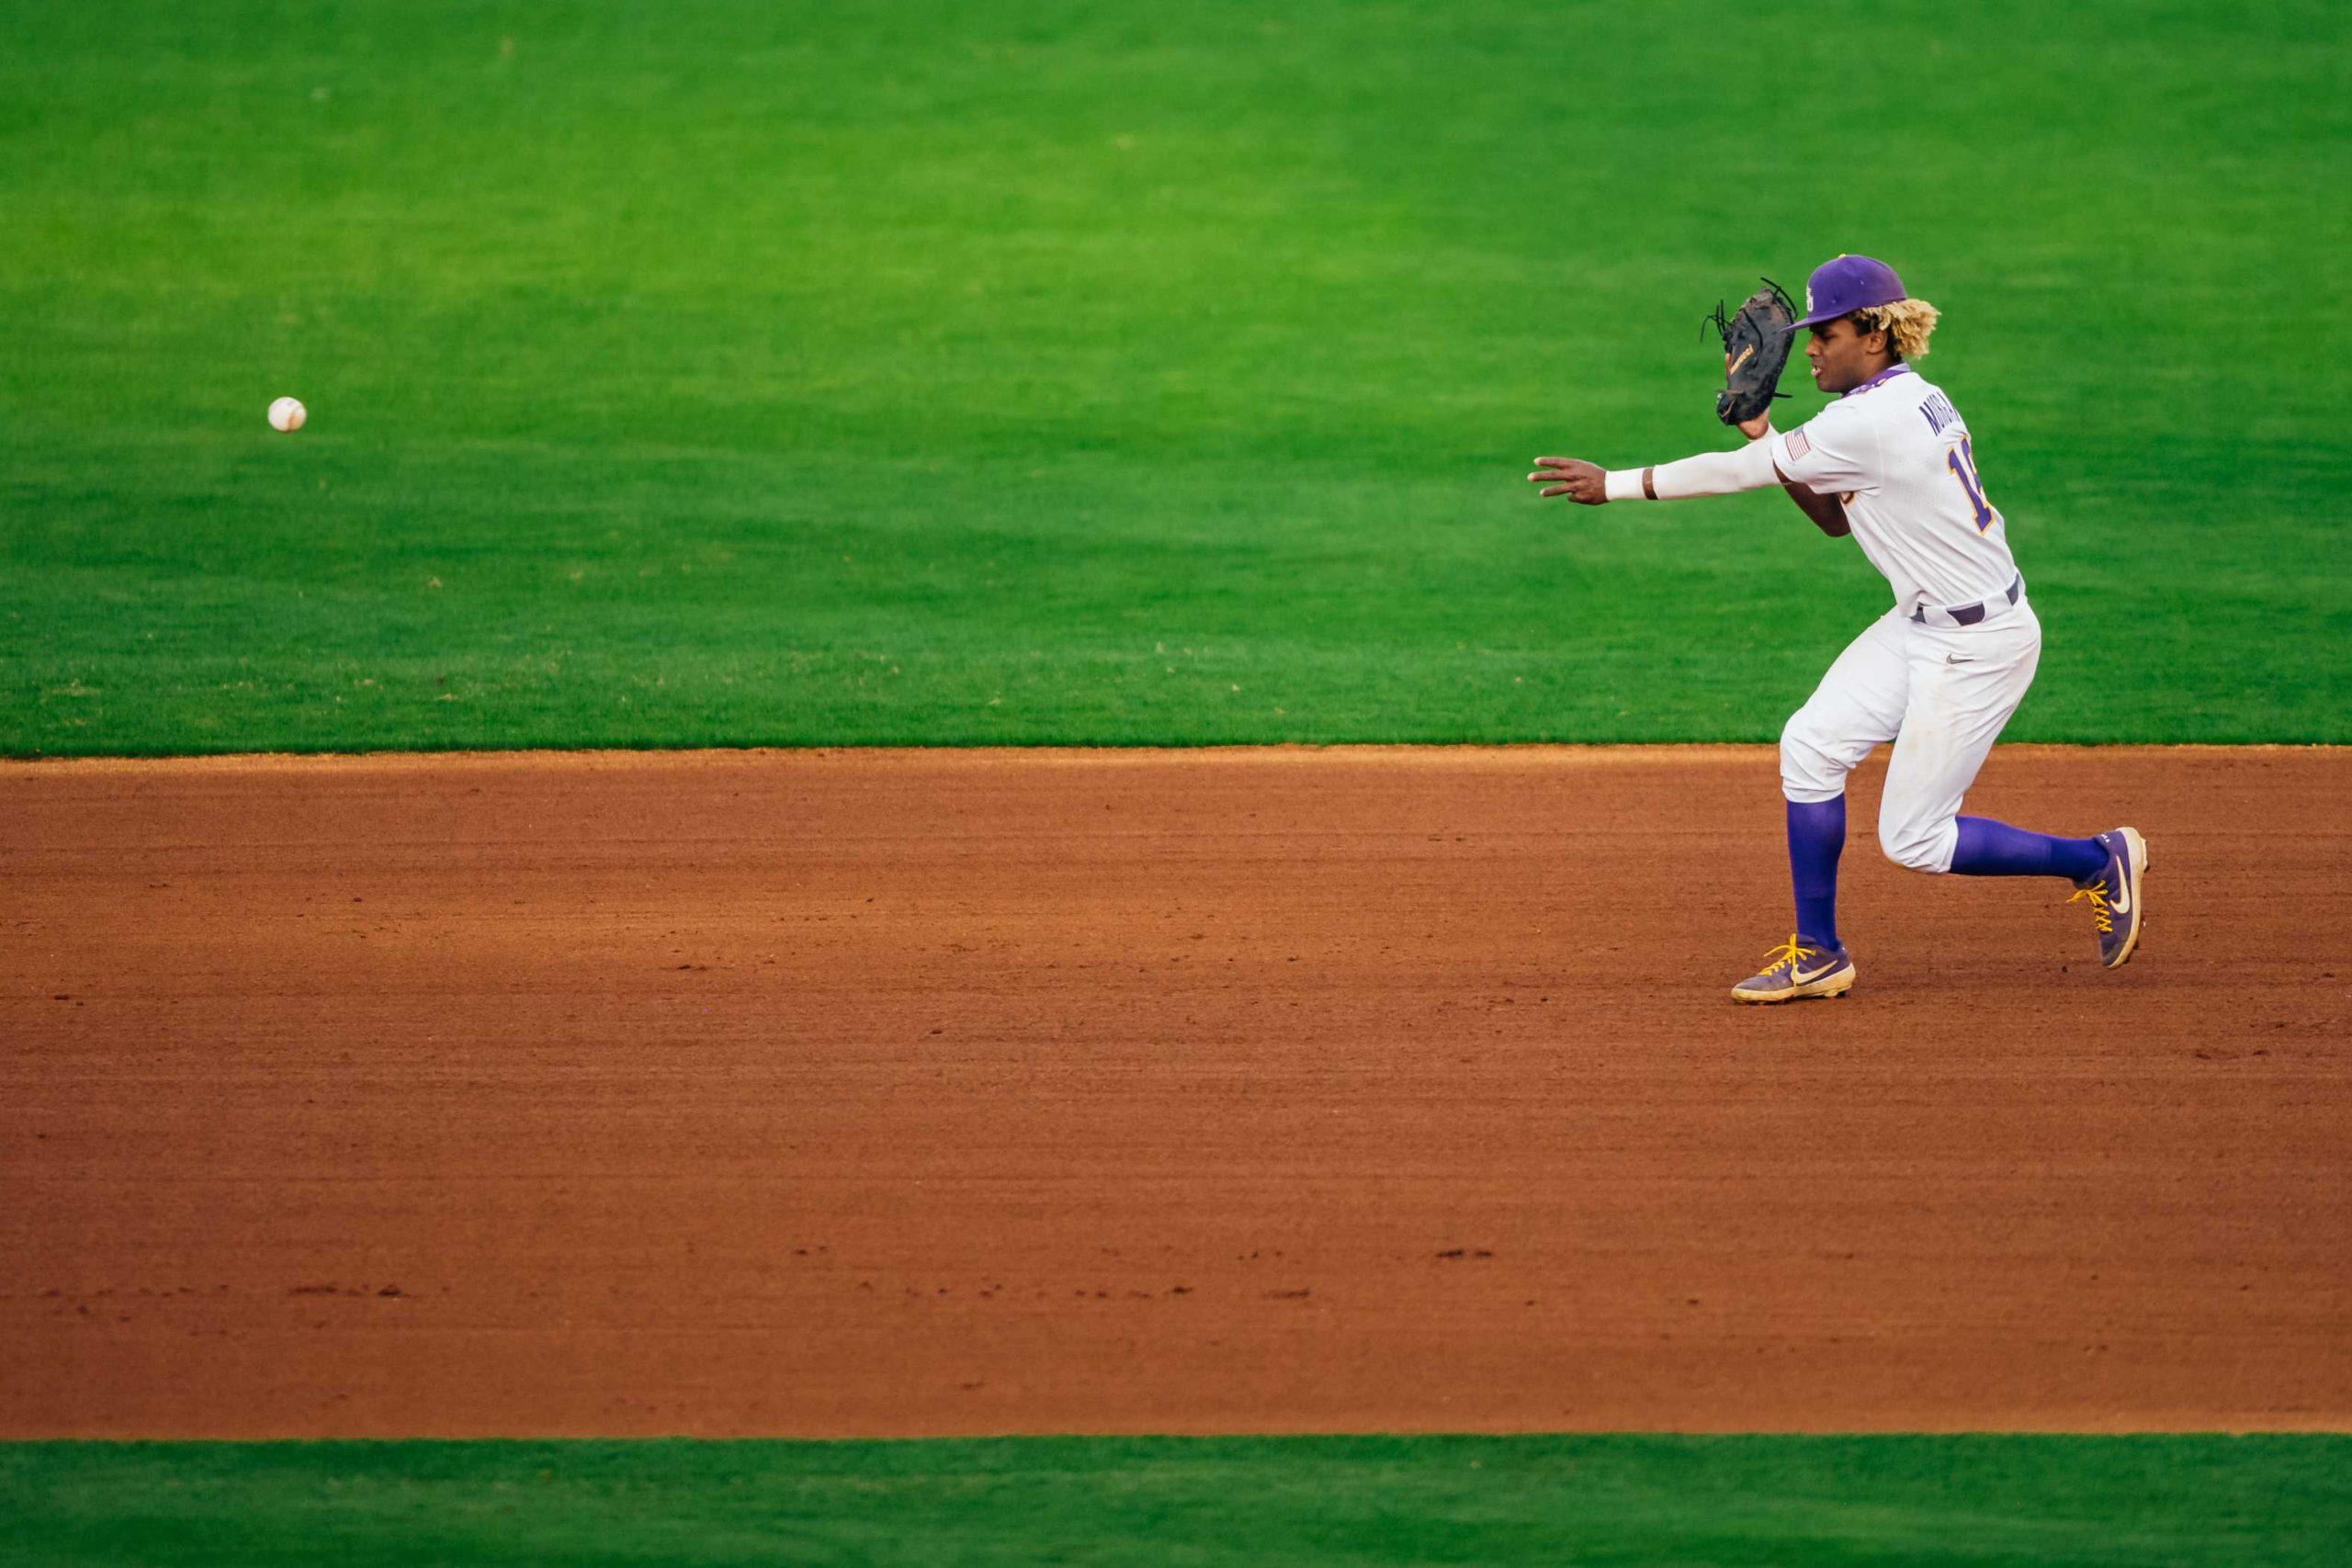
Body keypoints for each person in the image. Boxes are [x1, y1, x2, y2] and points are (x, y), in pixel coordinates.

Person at [1528, 254, 2146, 1003]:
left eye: (1825, 332)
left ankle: (2095, 859)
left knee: (1915, 838)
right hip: (1922, 622)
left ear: (1876, 335)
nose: (1809, 346)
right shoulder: (1905, 399)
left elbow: (1737, 475)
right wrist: (1762, 424)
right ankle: (1819, 952)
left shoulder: (1871, 420)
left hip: (1979, 646)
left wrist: (1616, 485)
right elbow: (1829, 515)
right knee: (1811, 745)